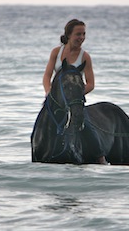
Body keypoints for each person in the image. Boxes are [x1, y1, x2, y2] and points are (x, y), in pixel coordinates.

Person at [42, 19, 107, 164]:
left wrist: (75, 96)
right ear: (69, 35)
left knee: (87, 126)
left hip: (75, 102)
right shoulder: (56, 52)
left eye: (84, 34)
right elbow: (47, 76)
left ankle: (100, 157)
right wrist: (48, 92)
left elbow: (90, 84)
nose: (81, 38)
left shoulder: (85, 57)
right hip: (56, 100)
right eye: (78, 34)